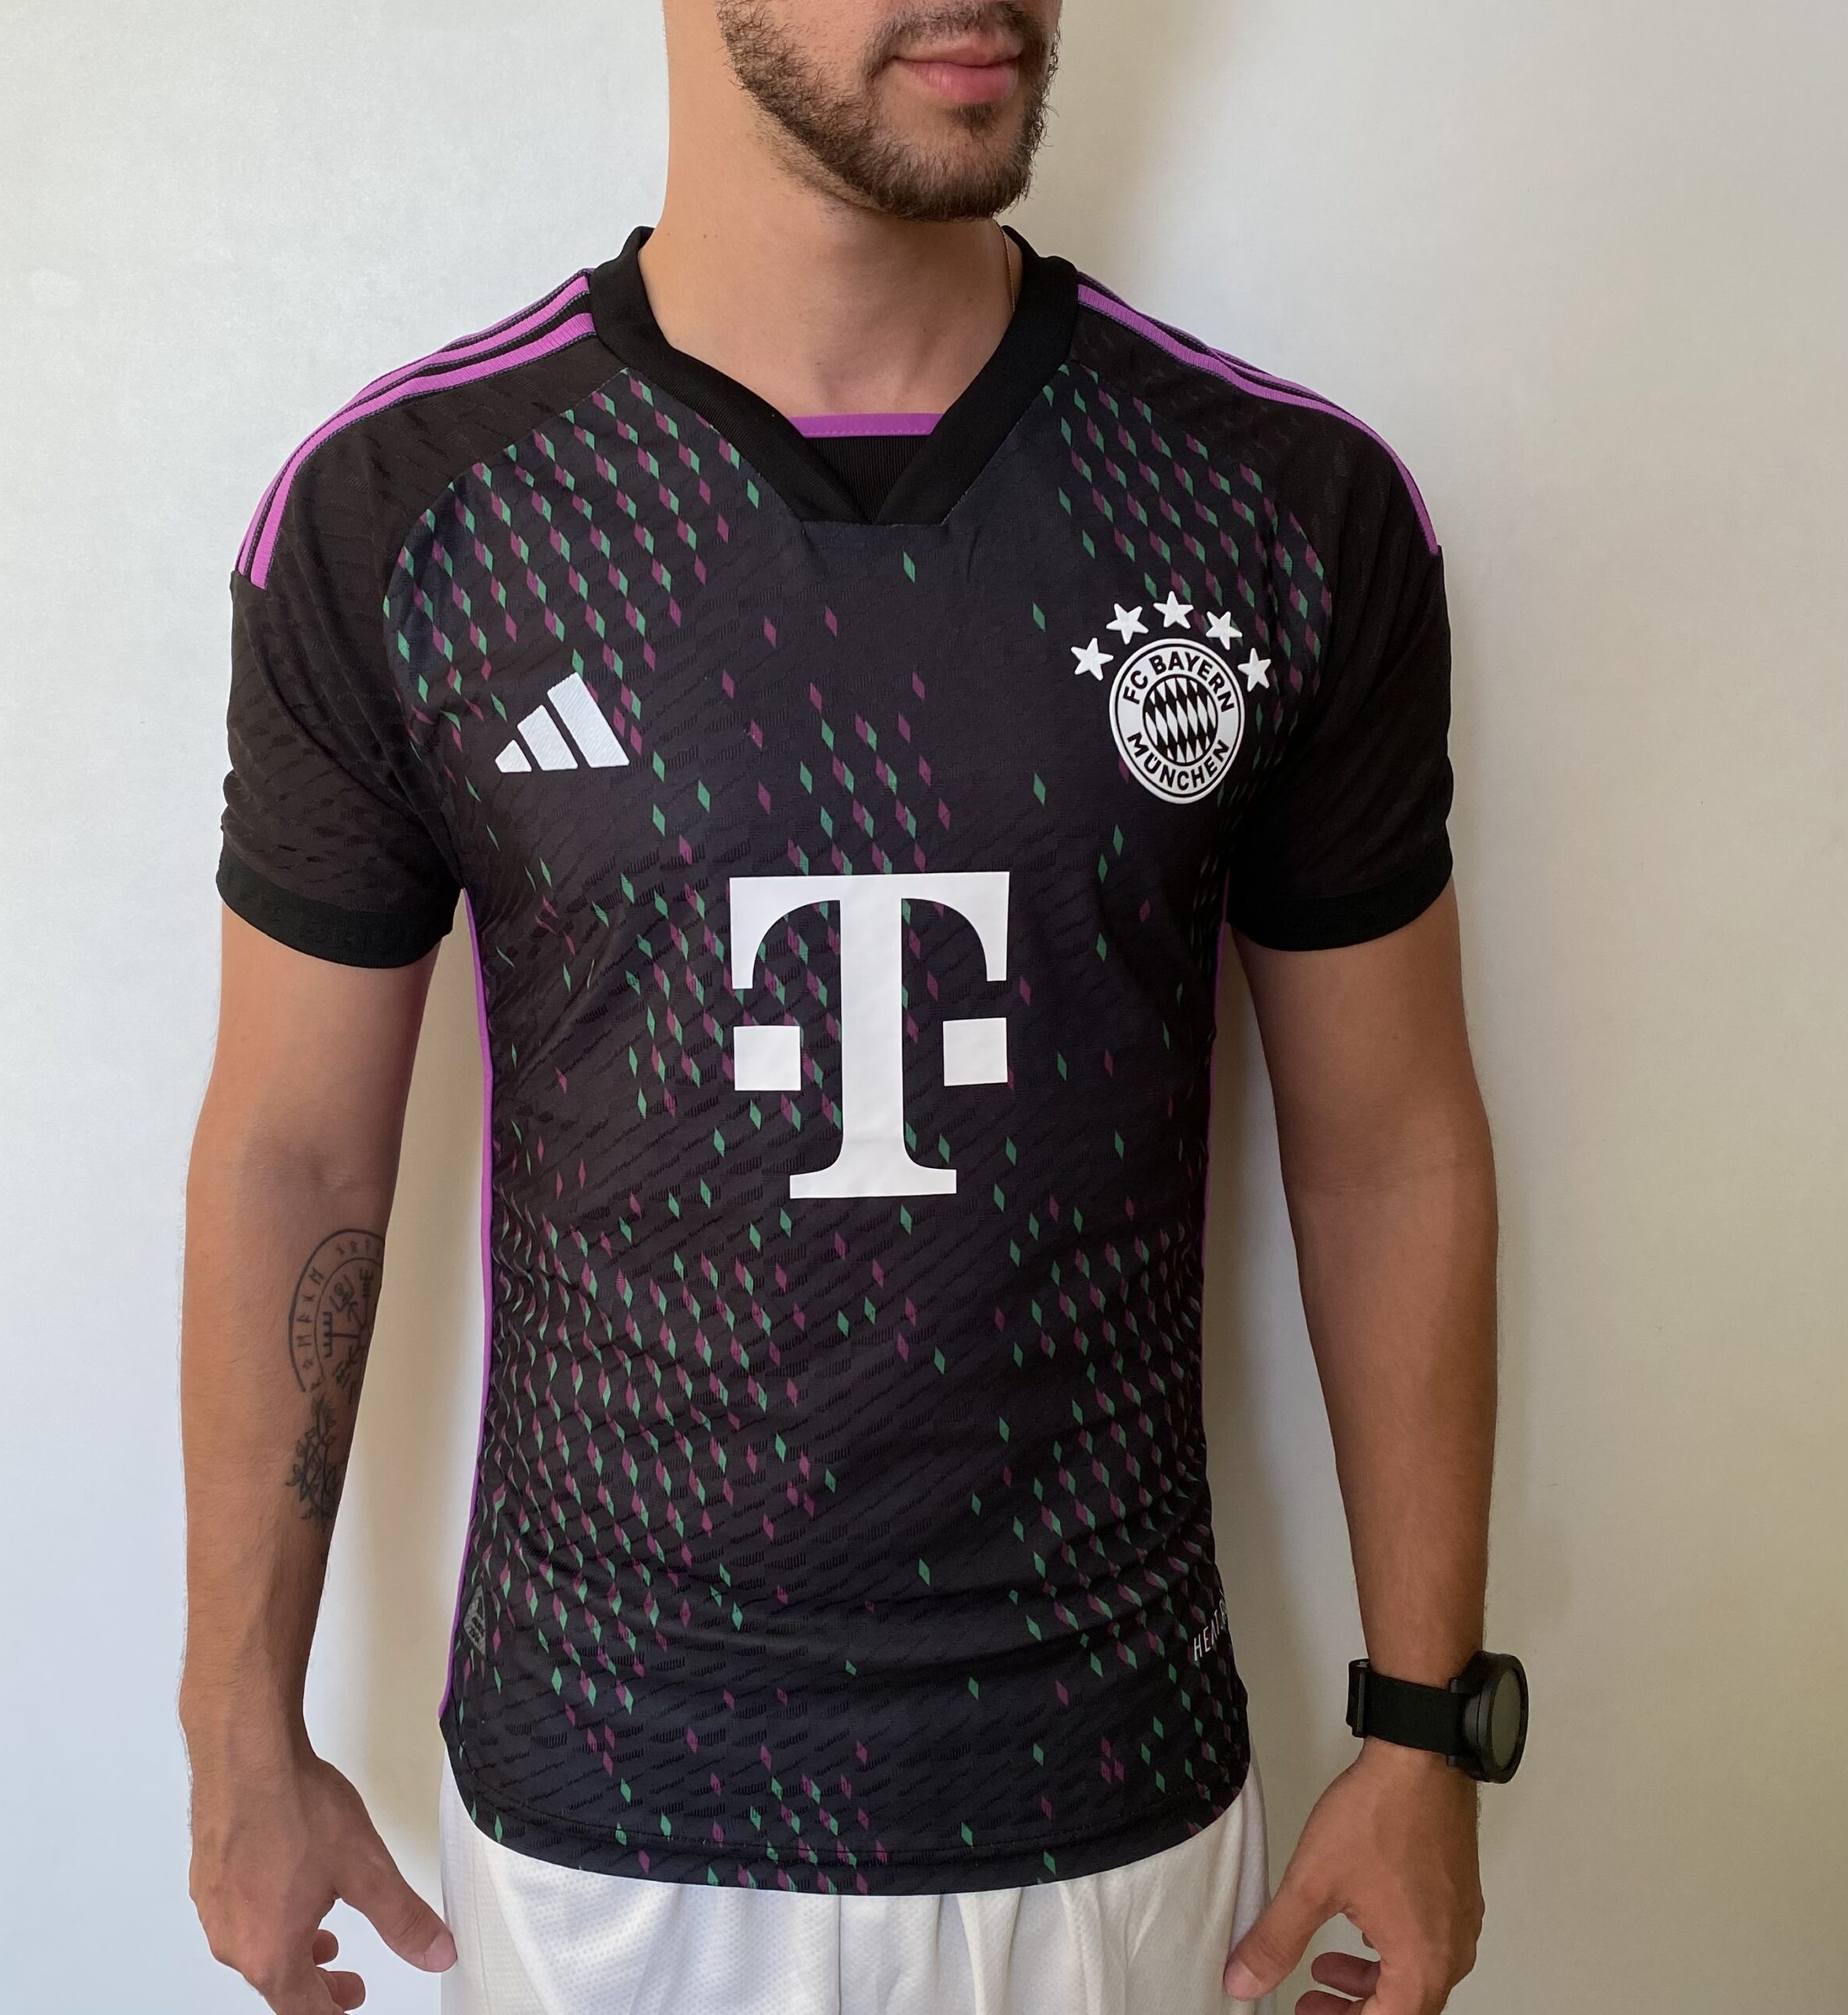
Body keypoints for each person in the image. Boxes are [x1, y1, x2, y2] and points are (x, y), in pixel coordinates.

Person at [179, 4, 1517, 2013]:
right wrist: (236, 1723)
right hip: (602, 1821)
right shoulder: (410, 513)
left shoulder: (1271, 507)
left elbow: (1387, 1142)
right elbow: (293, 1155)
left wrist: (1423, 1726)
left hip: (1107, 1813)